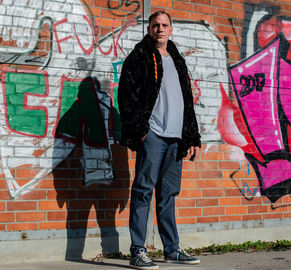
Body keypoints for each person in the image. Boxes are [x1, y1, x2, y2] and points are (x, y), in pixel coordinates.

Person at [118, 11, 201, 270]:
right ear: (149, 29)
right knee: (143, 191)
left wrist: (193, 136)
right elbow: (126, 95)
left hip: (176, 137)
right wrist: (141, 130)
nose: (160, 29)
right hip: (153, 134)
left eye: (165, 25)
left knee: (168, 194)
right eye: (156, 25)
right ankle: (138, 250)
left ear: (171, 30)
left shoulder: (176, 59)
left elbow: (187, 99)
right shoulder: (139, 56)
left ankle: (172, 249)